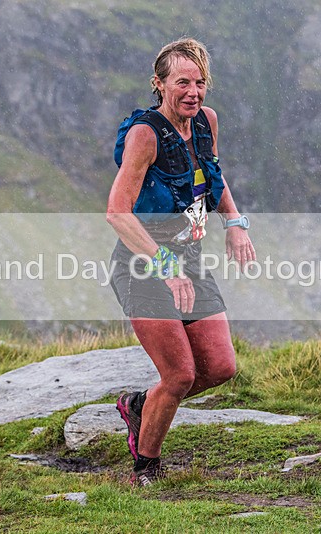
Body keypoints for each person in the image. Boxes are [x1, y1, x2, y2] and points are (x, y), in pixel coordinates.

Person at [106, 38, 256, 487]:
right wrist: (164, 266)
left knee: (220, 367)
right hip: (143, 263)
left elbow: (212, 172)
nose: (193, 91)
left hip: (189, 257)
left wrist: (234, 220)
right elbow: (117, 212)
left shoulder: (206, 121)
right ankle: (145, 467)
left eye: (200, 81)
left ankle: (139, 407)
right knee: (179, 374)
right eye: (182, 82)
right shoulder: (145, 135)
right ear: (159, 84)